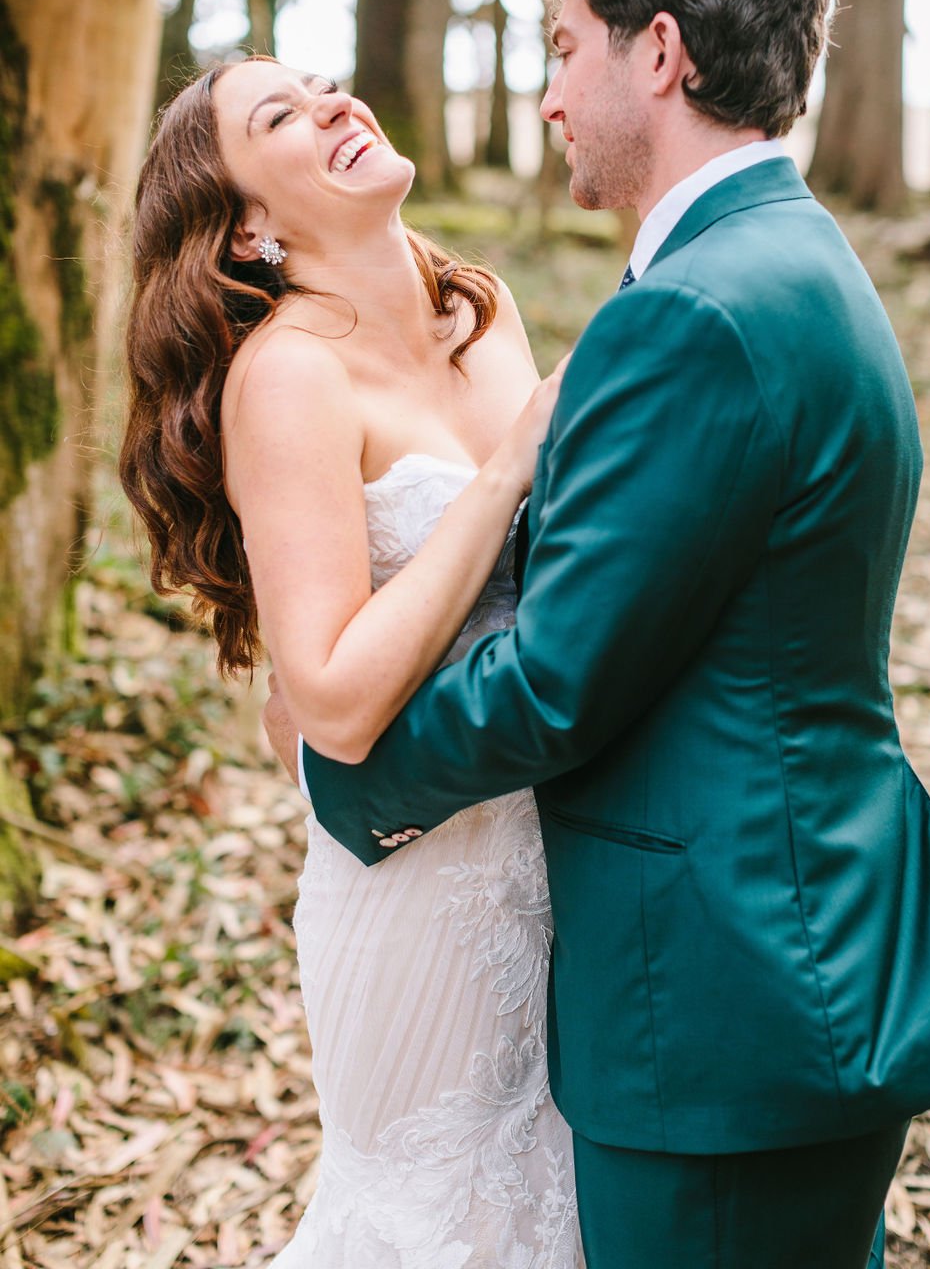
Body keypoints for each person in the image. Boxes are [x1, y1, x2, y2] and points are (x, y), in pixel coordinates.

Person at [264, 0, 930, 1269]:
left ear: (658, 52)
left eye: (563, 48)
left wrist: (347, 778)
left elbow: (557, 680)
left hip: (726, 1012)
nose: (548, 95)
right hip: (784, 960)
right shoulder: (790, 259)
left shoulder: (694, 312)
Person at [119, 62, 584, 1264]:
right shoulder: (287, 375)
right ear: (246, 229)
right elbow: (327, 696)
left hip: (559, 848)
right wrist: (504, 470)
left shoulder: (474, 307)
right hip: (421, 888)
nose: (334, 103)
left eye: (325, 85)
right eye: (280, 117)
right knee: (440, 1219)